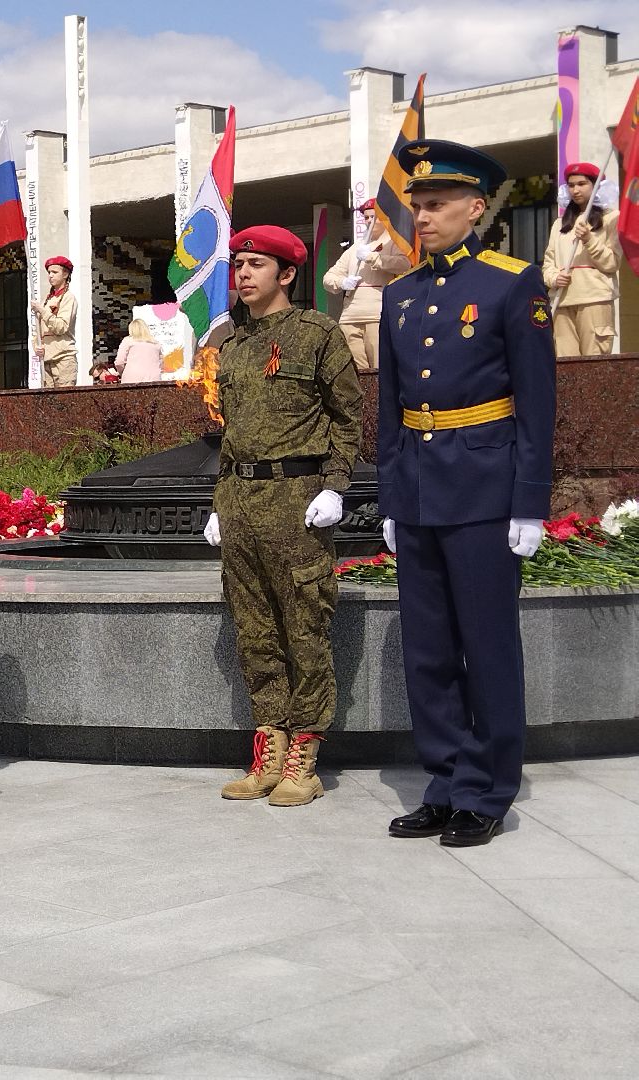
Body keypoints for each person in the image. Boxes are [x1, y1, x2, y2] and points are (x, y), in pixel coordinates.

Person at [380, 140, 557, 847]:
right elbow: (391, 407)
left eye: (436, 205)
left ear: (475, 207)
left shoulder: (513, 284)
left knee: (486, 646)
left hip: (485, 485)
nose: (422, 217)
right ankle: (447, 780)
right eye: (416, 206)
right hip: (420, 491)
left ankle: (488, 789)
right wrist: (392, 497)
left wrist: (530, 501)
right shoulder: (399, 294)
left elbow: (538, 402)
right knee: (427, 650)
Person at [205, 226, 363, 807]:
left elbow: (348, 415)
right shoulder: (233, 343)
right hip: (242, 501)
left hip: (298, 500)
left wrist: (336, 486)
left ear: (287, 273)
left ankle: (305, 753)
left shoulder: (316, 334)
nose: (243, 274)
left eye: (256, 264)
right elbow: (230, 433)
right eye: (239, 264)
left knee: (304, 627)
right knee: (255, 632)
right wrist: (220, 501)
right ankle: (269, 744)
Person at [322, 199, 413, 371]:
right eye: (367, 217)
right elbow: (328, 278)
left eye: (375, 217)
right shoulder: (355, 248)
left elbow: (404, 264)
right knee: (355, 370)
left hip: (376, 314)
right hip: (349, 316)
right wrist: (343, 282)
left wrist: (374, 258)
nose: (370, 221)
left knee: (381, 367)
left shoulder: (392, 242)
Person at [541, 161, 620, 356]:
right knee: (566, 366)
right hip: (562, 300)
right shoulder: (559, 224)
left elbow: (611, 263)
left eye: (582, 184)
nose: (575, 190)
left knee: (595, 364)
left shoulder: (611, 218)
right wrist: (553, 278)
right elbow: (548, 263)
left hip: (594, 298)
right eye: (571, 185)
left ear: (595, 186)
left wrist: (588, 239)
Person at [30, 255, 78, 387]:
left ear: (65, 274)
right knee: (49, 403)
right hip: (46, 358)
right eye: (49, 272)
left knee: (65, 402)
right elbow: (39, 331)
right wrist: (36, 346)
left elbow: (61, 327)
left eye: (55, 272)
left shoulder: (68, 298)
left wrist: (42, 310)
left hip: (63, 359)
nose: (50, 275)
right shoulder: (47, 299)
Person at [114, 319, 167, 384]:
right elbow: (162, 365)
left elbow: (119, 362)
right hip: (154, 380)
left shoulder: (128, 340)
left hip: (131, 379)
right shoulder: (156, 344)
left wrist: (122, 373)